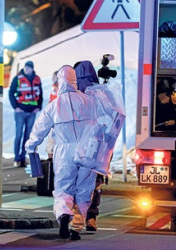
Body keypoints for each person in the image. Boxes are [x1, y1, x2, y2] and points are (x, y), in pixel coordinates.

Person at [25, 65, 97, 240]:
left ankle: (64, 214)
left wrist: (31, 146)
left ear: (60, 81)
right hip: (87, 150)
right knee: (84, 189)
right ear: (74, 80)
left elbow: (40, 128)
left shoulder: (54, 105)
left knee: (64, 187)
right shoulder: (89, 101)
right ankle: (76, 227)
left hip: (64, 151)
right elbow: (102, 124)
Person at [74, 60, 104, 231]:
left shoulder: (73, 94)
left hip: (76, 145)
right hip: (97, 145)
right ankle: (91, 217)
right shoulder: (101, 94)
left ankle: (76, 216)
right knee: (95, 182)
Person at [9, 61, 43, 168]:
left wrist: (38, 106)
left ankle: (23, 158)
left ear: (32, 69)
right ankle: (17, 158)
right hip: (21, 111)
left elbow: (40, 93)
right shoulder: (18, 78)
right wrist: (16, 107)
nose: (26, 69)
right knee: (18, 135)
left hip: (31, 112)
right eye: (25, 68)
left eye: (28, 68)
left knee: (27, 136)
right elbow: (11, 93)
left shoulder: (37, 79)